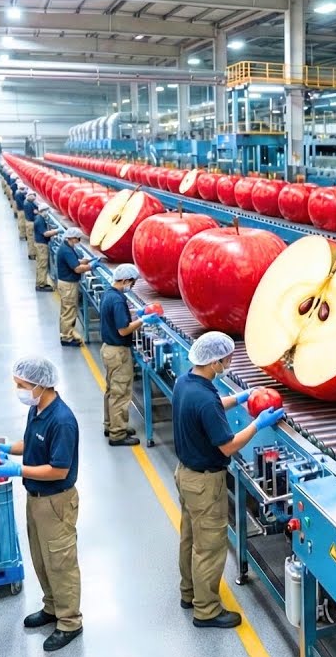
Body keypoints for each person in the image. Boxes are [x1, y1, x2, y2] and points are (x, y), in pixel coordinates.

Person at [172, 332, 285, 628]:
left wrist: (240, 398)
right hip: (205, 483)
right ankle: (206, 610)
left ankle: (189, 593)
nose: (230, 362)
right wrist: (257, 424)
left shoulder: (186, 382)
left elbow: (207, 409)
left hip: (185, 475)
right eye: (227, 358)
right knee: (209, 546)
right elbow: (228, 445)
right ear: (214, 361)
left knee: (190, 538)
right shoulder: (205, 398)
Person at [0, 357, 84, 652]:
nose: (18, 389)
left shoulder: (62, 421)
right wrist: (5, 449)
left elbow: (59, 470)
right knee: (41, 558)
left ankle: (70, 622)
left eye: (22, 385)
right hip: (35, 497)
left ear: (41, 385)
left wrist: (17, 470)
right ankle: (52, 607)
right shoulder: (37, 409)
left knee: (60, 562)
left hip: (56, 501)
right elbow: (31, 444)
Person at [99, 264, 161, 446]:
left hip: (108, 350)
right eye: (132, 283)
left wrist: (136, 313)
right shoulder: (118, 300)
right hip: (118, 352)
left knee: (112, 390)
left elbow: (118, 318)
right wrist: (143, 320)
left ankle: (111, 425)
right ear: (125, 280)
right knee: (121, 392)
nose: (132, 286)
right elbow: (124, 330)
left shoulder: (109, 294)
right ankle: (117, 434)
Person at [55, 228, 94, 347]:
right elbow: (76, 268)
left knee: (67, 310)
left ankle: (67, 334)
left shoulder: (67, 247)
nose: (79, 240)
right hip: (68, 285)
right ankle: (66, 337)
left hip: (66, 283)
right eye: (78, 238)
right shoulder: (66, 250)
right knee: (69, 311)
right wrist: (91, 266)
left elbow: (75, 262)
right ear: (72, 238)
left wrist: (87, 261)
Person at [33, 206, 59, 292]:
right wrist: (56, 231)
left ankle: (41, 281)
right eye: (47, 211)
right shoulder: (39, 220)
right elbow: (46, 234)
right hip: (41, 246)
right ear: (43, 211)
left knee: (41, 264)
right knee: (42, 264)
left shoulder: (39, 218)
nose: (47, 213)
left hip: (39, 244)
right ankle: (41, 285)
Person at [23, 192, 39, 260]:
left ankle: (32, 253)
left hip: (28, 222)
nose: (34, 198)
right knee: (32, 239)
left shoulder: (27, 202)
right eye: (33, 196)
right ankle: (32, 254)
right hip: (31, 223)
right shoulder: (28, 204)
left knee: (30, 239)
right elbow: (34, 212)